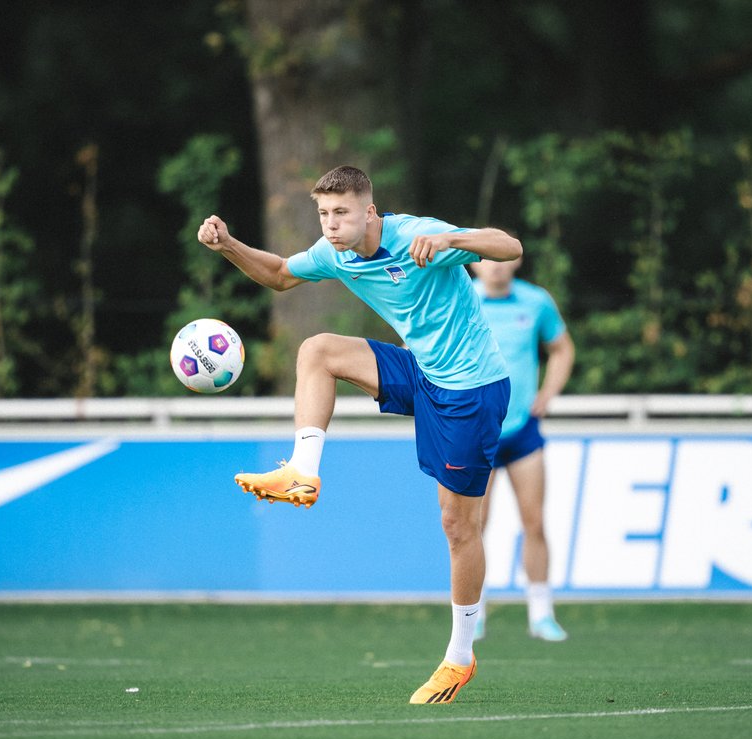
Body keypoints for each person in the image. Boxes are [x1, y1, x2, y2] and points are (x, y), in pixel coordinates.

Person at [197, 166, 518, 703]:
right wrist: (228, 244)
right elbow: (279, 273)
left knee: (457, 525)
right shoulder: (334, 253)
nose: (330, 224)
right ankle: (302, 471)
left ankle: (460, 657)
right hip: (424, 372)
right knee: (318, 350)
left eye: (341, 213)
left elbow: (508, 246)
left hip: (472, 390)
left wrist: (451, 240)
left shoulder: (417, 235)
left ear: (369, 212)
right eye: (324, 213)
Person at [470, 254, 574, 642]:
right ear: (473, 265)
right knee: (473, 528)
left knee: (534, 522)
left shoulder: (536, 301)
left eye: (503, 258)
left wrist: (548, 392)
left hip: (523, 431)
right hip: (476, 431)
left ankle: (541, 615)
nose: (495, 265)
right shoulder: (462, 298)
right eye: (486, 259)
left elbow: (562, 348)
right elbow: (421, 344)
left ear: (515, 262)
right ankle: (473, 614)